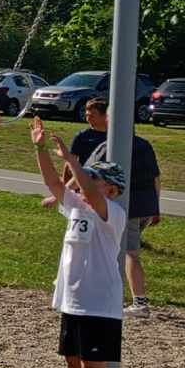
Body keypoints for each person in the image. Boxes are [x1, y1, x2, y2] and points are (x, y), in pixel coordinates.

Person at [31, 117, 129, 368]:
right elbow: (53, 183)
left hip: (99, 302)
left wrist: (73, 162)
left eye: (95, 179)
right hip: (73, 300)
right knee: (74, 364)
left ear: (111, 190)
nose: (83, 184)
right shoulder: (77, 206)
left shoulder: (112, 212)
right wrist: (40, 147)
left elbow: (84, 188)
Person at [70, 96, 164, 316]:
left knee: (128, 253)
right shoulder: (144, 145)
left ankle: (139, 302)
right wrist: (155, 207)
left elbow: (83, 174)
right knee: (117, 250)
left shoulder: (108, 147)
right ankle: (112, 293)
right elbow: (156, 178)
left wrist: (62, 193)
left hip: (127, 208)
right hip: (145, 206)